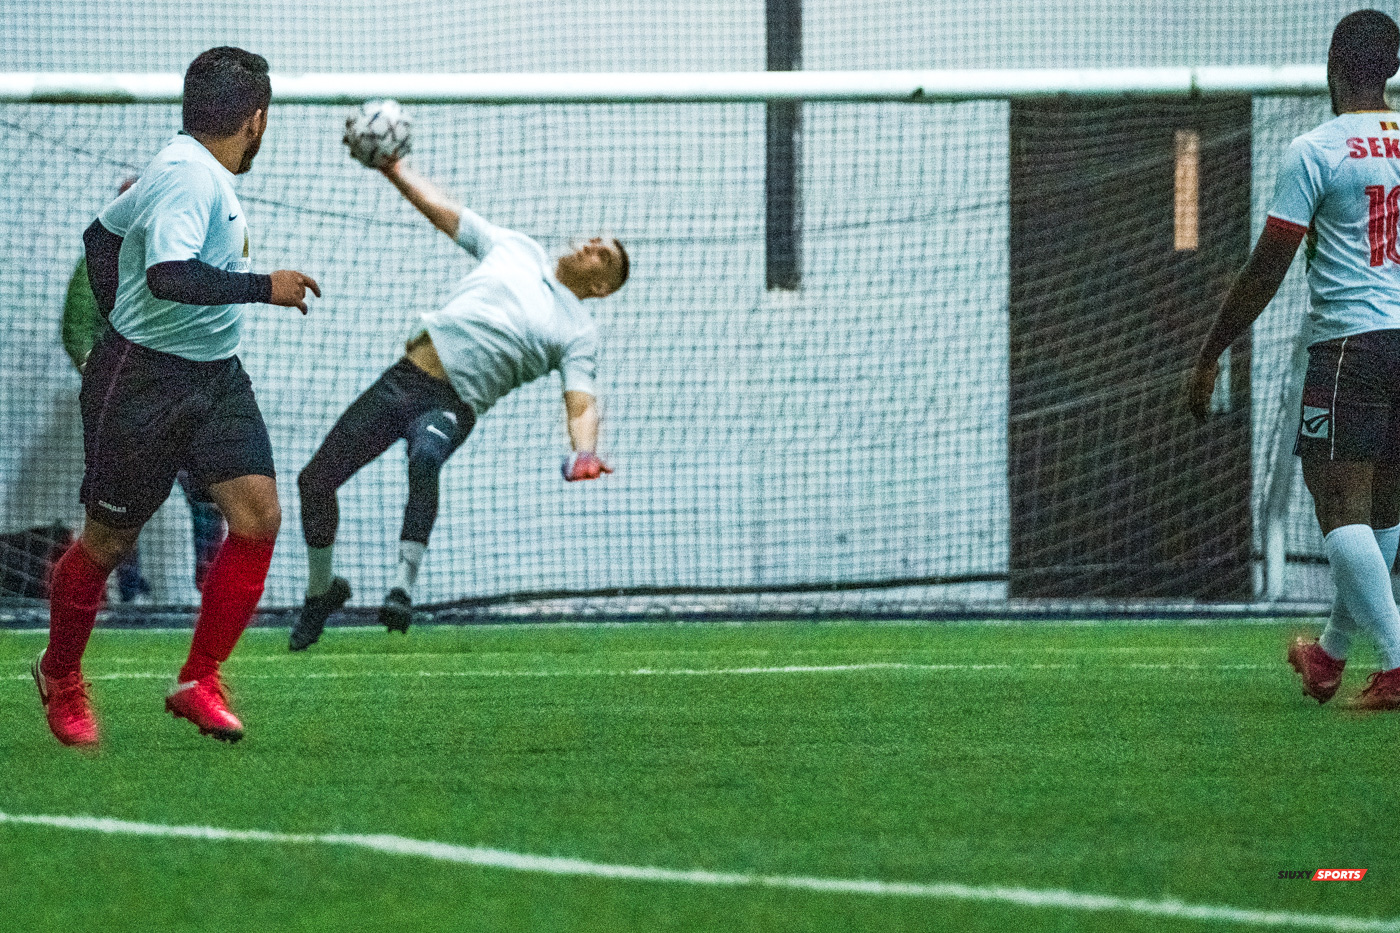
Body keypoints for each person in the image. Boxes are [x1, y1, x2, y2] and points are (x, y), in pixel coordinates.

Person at [32, 46, 321, 747]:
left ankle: (198, 680)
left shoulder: (184, 162)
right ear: (256, 119)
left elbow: (100, 237)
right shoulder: (190, 178)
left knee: (257, 519)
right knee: (106, 542)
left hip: (216, 375)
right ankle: (60, 672)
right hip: (144, 383)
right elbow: (166, 275)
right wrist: (265, 287)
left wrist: (118, 314)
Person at [288, 151, 627, 650]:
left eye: (606, 256)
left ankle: (402, 586)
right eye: (596, 238)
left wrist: (584, 451)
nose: (594, 244)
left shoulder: (578, 329)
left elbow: (581, 403)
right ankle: (322, 591)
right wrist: (394, 169)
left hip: (451, 403)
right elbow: (448, 213)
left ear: (601, 286)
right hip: (402, 381)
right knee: (314, 481)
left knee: (425, 456)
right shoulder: (517, 248)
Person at [1189, 9, 1400, 711]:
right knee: (1386, 511)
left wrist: (1212, 348)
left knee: (1341, 507)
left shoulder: (1319, 149)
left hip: (1351, 344)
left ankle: (1399, 662)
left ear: (1335, 64)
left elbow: (1266, 267)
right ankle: (1331, 656)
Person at [62, 177, 228, 602]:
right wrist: (106, 379)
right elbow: (78, 329)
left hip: (186, 397)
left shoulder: (186, 255)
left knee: (207, 493)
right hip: (129, 403)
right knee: (120, 503)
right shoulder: (100, 258)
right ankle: (130, 589)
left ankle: (211, 586)